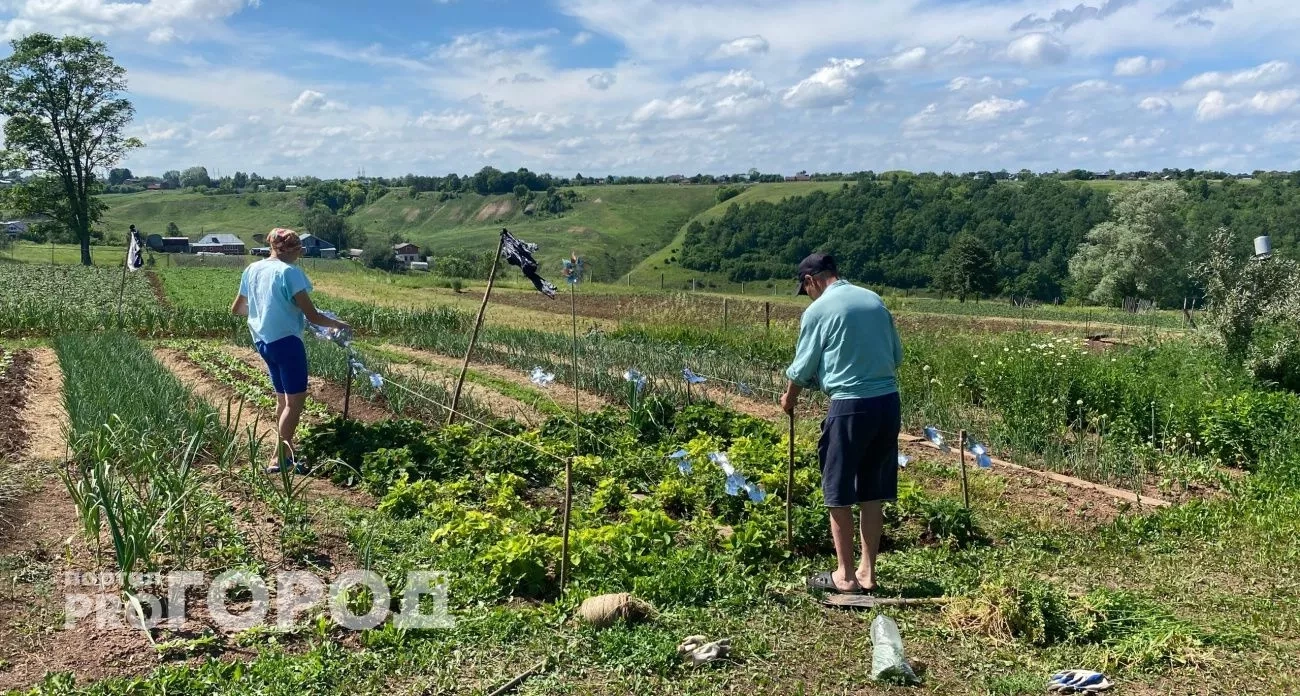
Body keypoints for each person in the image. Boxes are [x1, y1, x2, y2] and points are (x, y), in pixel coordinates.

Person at [780, 253, 903, 594]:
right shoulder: (874, 300)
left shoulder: (818, 311)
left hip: (850, 406)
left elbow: (803, 367)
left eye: (805, 290)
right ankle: (868, 573)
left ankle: (845, 576)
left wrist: (789, 399)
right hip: (888, 403)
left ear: (811, 281)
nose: (808, 296)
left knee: (837, 490)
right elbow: (896, 356)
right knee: (872, 490)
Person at [231, 228, 349, 473]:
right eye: (300, 250)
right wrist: (339, 324)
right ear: (295, 250)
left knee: (283, 400)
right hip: (287, 342)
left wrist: (266, 311)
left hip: (263, 342)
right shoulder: (290, 272)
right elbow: (313, 315)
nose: (301, 254)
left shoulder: (253, 269)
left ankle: (287, 451)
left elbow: (238, 309)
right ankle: (278, 460)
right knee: (295, 403)